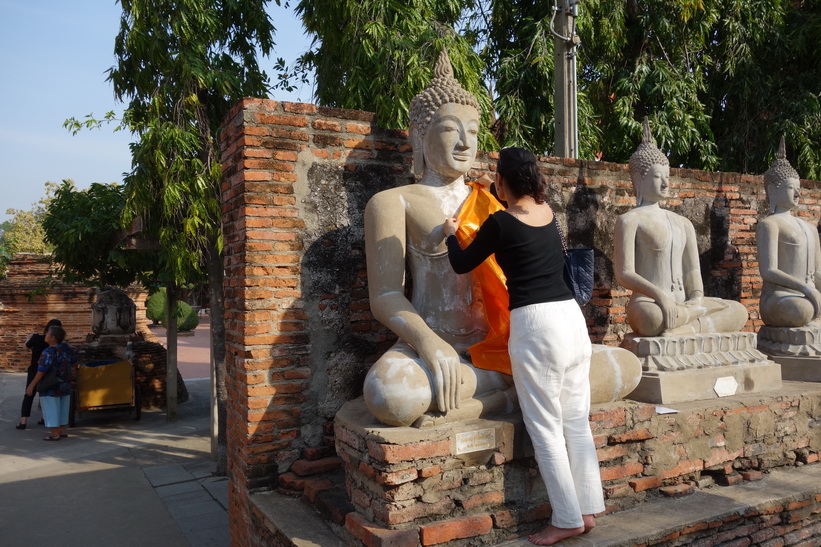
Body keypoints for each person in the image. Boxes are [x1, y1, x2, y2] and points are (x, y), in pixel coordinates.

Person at [443, 147, 604, 545]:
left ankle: (566, 519)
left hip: (537, 326)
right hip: (571, 320)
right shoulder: (548, 214)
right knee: (575, 422)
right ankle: (586, 510)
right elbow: (518, 208)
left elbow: (463, 263)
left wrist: (450, 235)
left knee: (545, 428)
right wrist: (495, 184)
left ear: (501, 183)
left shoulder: (499, 223)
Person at [362, 49, 516, 427]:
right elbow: (385, 295)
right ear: (419, 136)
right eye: (450, 129)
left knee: (616, 365)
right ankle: (508, 394)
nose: (465, 142)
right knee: (390, 394)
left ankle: (481, 398)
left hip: (496, 343)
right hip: (427, 345)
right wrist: (430, 343)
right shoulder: (393, 201)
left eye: (474, 132)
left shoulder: (492, 201)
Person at [614, 118, 747, 338]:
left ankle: (685, 329)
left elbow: (692, 271)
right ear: (639, 178)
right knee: (652, 320)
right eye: (658, 177)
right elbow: (624, 274)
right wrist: (661, 297)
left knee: (738, 311)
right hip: (650, 303)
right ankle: (689, 324)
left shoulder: (683, 223)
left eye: (667, 177)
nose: (666, 183)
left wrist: (696, 298)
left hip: (685, 304)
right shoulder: (629, 220)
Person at [757, 137, 821, 327]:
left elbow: (817, 272)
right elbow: (769, 271)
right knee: (802, 310)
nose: (798, 193)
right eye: (791, 188)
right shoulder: (769, 224)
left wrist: (814, 290)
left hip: (810, 293)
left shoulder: (810, 228)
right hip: (780, 298)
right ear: (772, 191)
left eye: (799, 188)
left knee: (808, 306)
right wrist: (805, 289)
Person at [25, 325, 76, 441]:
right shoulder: (66, 348)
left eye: (47, 333)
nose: (45, 335)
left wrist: (31, 385)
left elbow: (42, 370)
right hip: (64, 382)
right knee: (63, 407)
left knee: (51, 408)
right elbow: (73, 361)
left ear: (53, 338)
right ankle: (62, 431)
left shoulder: (48, 352)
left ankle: (54, 434)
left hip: (50, 385)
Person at [16, 318, 62, 430]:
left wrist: (28, 339)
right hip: (49, 372)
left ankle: (23, 421)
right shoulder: (57, 343)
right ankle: (44, 418)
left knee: (29, 394)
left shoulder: (37, 338)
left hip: (34, 370)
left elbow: (25, 347)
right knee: (46, 394)